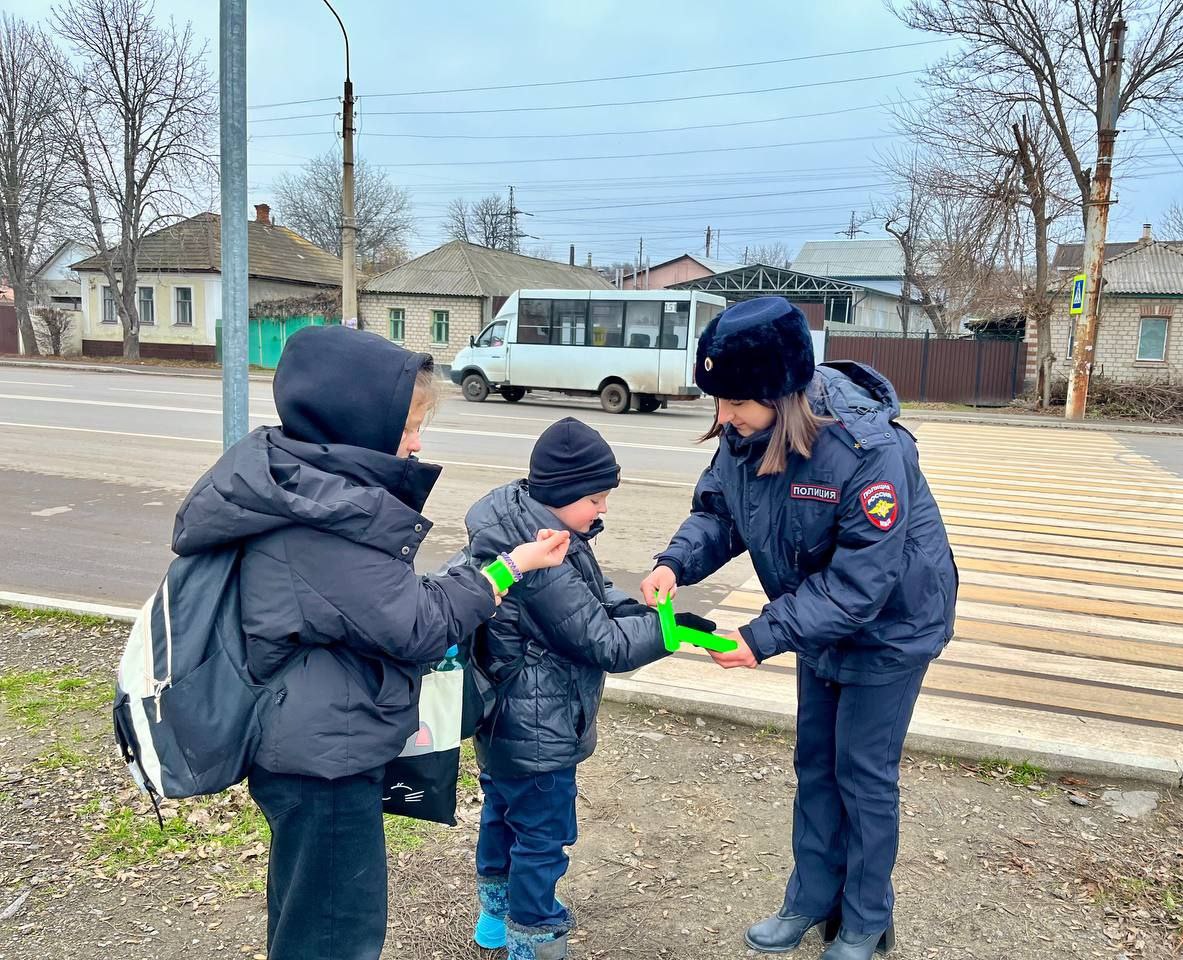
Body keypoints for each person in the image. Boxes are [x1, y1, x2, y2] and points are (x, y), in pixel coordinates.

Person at [170, 326, 570, 960]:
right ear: (357, 422)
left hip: (311, 744)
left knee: (308, 916)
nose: (416, 443)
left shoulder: (304, 490)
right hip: (323, 761)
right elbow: (419, 624)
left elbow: (383, 605)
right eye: (407, 427)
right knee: (336, 934)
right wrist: (508, 569)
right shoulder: (321, 524)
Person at [640, 297, 957, 960]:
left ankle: (865, 920)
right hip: (817, 622)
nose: (723, 416)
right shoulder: (742, 433)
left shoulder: (867, 450)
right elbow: (719, 512)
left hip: (890, 629)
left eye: (736, 403)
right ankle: (811, 898)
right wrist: (675, 562)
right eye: (718, 401)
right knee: (815, 763)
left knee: (863, 775)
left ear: (781, 396)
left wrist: (761, 636)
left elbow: (861, 584)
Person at [464, 416, 686, 960]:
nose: (602, 509)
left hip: (503, 721)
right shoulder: (540, 561)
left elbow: (592, 595)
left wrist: (641, 611)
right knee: (542, 837)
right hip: (540, 728)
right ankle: (533, 936)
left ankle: (493, 919)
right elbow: (604, 643)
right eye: (595, 498)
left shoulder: (528, 525)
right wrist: (671, 631)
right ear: (562, 493)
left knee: (501, 815)